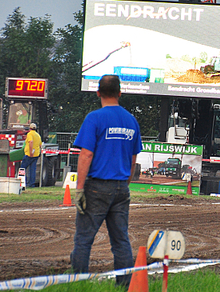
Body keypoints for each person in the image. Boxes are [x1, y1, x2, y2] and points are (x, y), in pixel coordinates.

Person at [70, 75, 142, 286]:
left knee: (84, 239)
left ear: (98, 93)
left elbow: (86, 155)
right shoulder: (131, 120)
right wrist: (124, 184)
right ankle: (124, 285)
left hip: (96, 187)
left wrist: (79, 189)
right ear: (120, 93)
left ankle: (78, 284)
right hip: (121, 188)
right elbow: (133, 158)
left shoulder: (94, 118)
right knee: (121, 241)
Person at [20, 123, 42, 188]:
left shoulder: (30, 134)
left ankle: (21, 183)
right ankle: (31, 184)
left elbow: (31, 142)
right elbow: (40, 145)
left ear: (30, 128)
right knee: (32, 169)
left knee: (22, 168)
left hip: (29, 154)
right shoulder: (38, 135)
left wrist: (30, 152)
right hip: (36, 154)